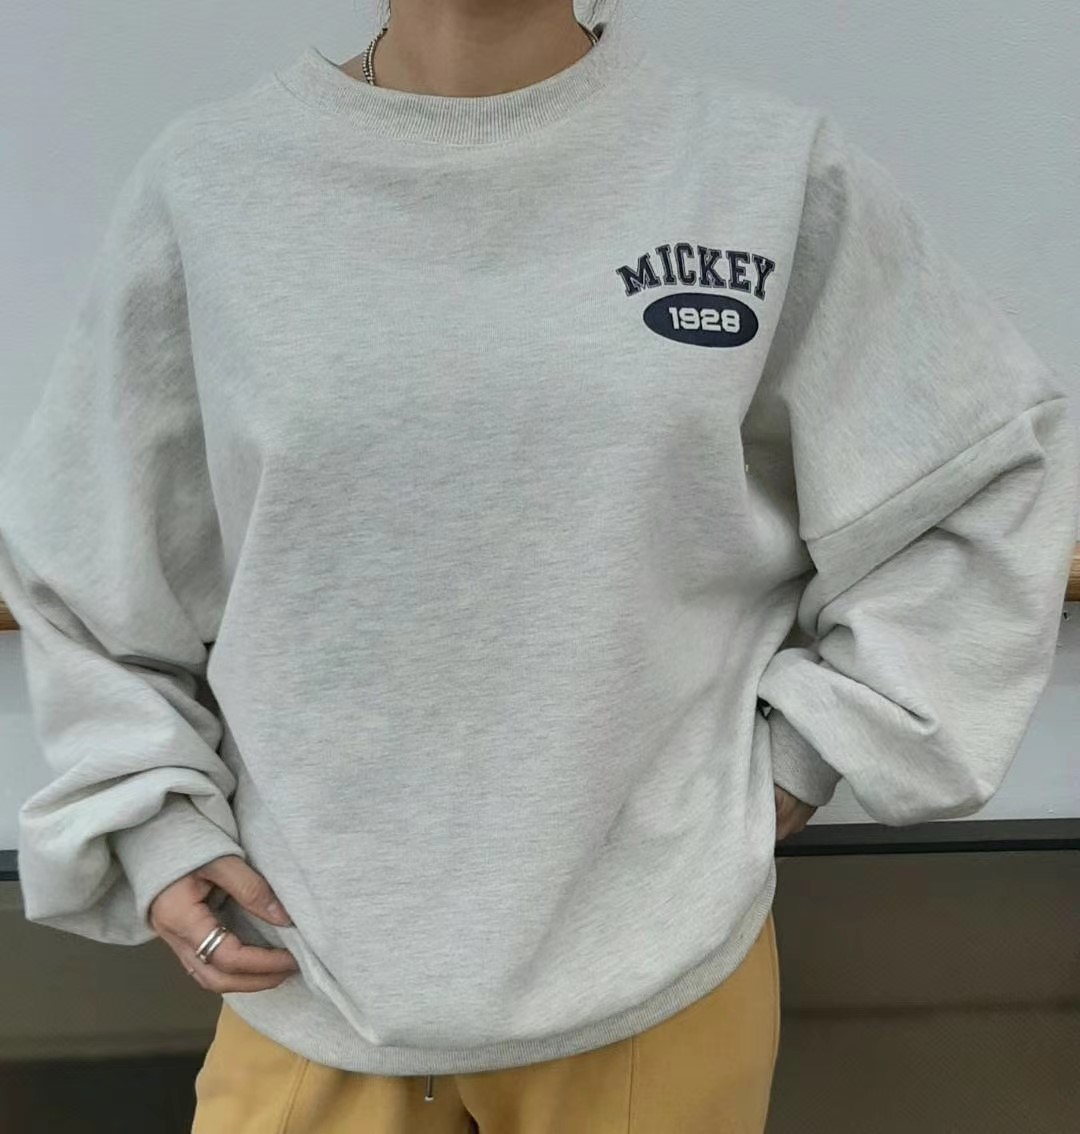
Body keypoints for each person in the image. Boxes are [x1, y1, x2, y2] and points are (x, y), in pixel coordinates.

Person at [0, 0, 1076, 1130]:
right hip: (303, 974)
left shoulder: (765, 174)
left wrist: (812, 753)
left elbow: (983, 467)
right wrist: (154, 819)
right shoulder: (212, 186)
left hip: (658, 981)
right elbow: (89, 553)